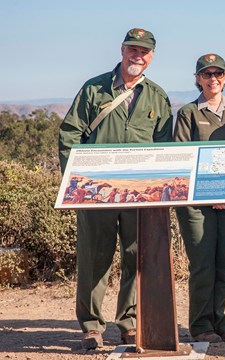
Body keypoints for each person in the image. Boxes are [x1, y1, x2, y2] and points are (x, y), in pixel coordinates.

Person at [58, 28, 173, 350]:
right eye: (133, 50)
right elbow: (70, 133)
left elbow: (165, 146)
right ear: (122, 50)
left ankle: (130, 324)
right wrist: (75, 181)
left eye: (144, 52)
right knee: (94, 259)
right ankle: (91, 327)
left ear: (152, 57)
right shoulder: (94, 89)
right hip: (96, 192)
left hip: (140, 195)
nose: (138, 56)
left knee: (137, 259)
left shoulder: (157, 96)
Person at [173, 53, 225, 344]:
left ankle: (220, 321)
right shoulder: (188, 114)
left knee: (223, 263)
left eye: (218, 74)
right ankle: (200, 324)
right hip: (197, 204)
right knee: (203, 263)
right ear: (198, 79)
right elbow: (183, 158)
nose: (213, 79)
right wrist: (211, 194)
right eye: (206, 74)